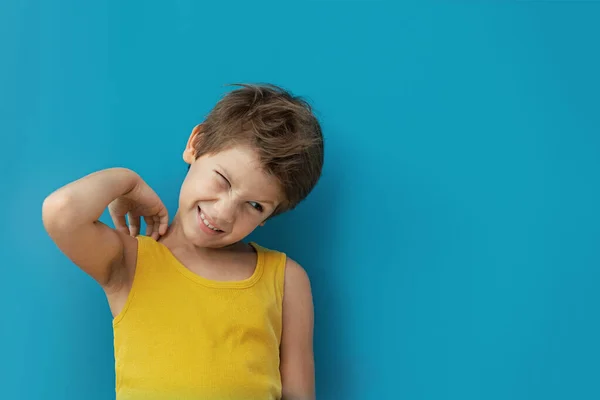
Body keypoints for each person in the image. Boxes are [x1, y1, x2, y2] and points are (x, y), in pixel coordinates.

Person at [42, 83, 324, 400]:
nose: (224, 213)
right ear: (196, 143)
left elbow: (299, 394)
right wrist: (126, 182)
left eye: (255, 206)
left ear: (267, 217)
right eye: (223, 180)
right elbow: (61, 211)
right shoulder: (131, 263)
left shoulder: (286, 279)